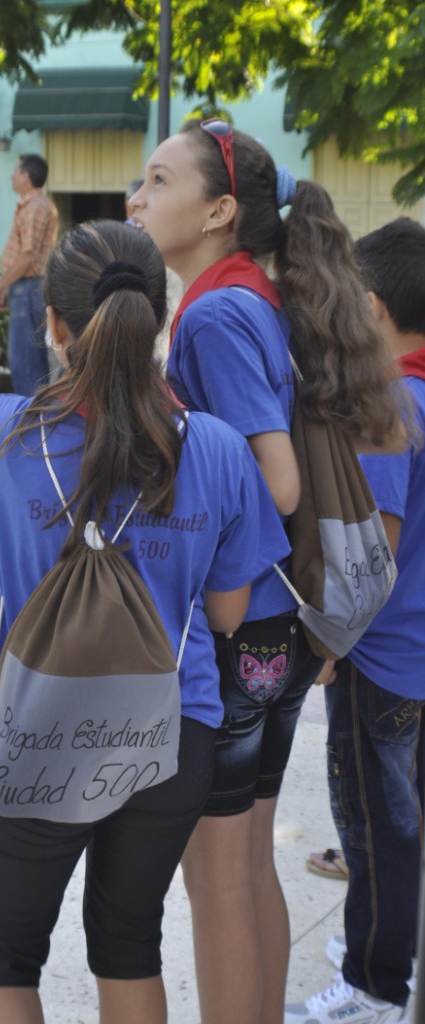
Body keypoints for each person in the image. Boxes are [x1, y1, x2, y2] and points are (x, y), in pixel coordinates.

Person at [0, 218, 292, 1024]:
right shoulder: (212, 448)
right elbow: (229, 613)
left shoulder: (8, 437)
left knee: (1, 954)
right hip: (174, 737)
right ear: (156, 320)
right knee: (130, 941)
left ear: (57, 326)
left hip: (41, 732)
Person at [129, 119, 406, 1024]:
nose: (137, 197)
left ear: (217, 210)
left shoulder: (213, 313)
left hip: (246, 623)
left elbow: (276, 477)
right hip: (283, 628)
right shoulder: (254, 294)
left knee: (217, 878)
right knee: (245, 862)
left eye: (158, 180)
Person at [285, 217, 425, 1024]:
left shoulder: (389, 403)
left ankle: (376, 983)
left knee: (375, 828)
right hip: (418, 654)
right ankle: (390, 951)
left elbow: (378, 551)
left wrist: (332, 644)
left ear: (370, 309)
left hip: (383, 662)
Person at [0, 153, 58, 396]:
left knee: (26, 366)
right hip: (26, 286)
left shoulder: (35, 206)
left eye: (15, 171)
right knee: (29, 364)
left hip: (29, 288)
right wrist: (8, 287)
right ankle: (36, 424)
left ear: (26, 176)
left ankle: (33, 427)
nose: (12, 176)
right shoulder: (33, 205)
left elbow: (28, 256)